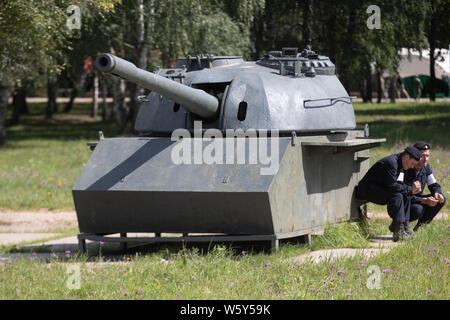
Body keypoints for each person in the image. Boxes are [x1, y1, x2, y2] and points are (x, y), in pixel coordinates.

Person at [355, 146, 422, 242]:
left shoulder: (401, 163)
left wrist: (411, 188)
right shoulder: (392, 162)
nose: (412, 166)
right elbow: (392, 186)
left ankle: (404, 226)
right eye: (412, 163)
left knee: (404, 194)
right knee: (398, 195)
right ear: (407, 157)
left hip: (380, 189)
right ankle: (398, 227)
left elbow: (397, 186)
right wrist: (411, 189)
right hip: (366, 191)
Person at [404, 142, 446, 231]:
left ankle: (419, 229)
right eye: (422, 156)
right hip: (404, 203)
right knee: (418, 209)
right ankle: (401, 226)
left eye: (427, 156)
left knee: (441, 199)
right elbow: (402, 195)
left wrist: (437, 193)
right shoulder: (406, 167)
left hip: (417, 200)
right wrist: (424, 201)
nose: (425, 159)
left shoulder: (425, 167)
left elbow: (433, 184)